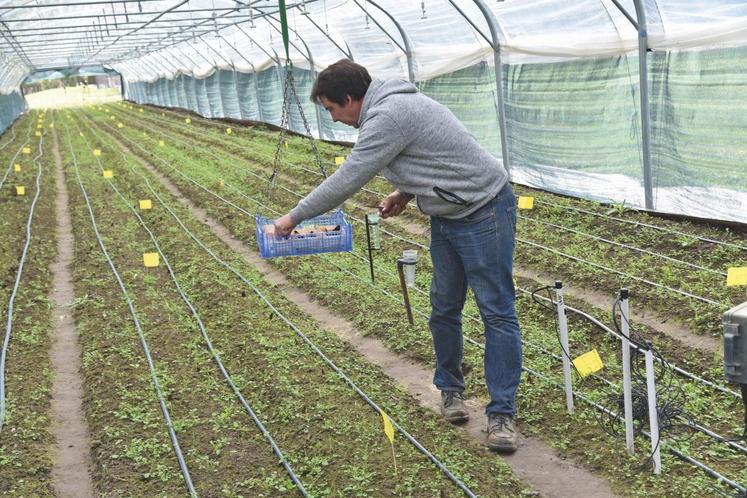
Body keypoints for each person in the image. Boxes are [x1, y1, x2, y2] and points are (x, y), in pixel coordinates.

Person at [274, 59, 522, 452]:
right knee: (443, 307)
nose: (335, 119)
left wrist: (294, 216)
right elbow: (431, 152)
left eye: (332, 109)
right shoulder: (388, 106)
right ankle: (451, 392)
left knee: (496, 311)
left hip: (484, 209)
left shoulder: (388, 116)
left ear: (351, 99)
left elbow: (349, 178)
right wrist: (406, 192)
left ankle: (502, 415)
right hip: (447, 213)